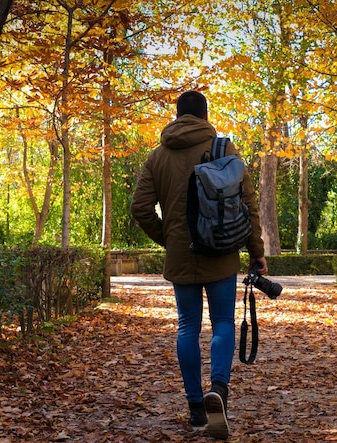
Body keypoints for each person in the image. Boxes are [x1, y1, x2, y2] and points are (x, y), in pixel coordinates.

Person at [131, 90, 267, 439]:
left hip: (181, 253)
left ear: (177, 116)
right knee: (222, 321)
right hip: (220, 252)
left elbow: (140, 208)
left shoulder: (157, 156)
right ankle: (218, 390)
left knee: (187, 327)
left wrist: (168, 238)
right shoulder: (223, 149)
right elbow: (248, 202)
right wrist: (256, 250)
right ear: (205, 115)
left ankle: (195, 410)